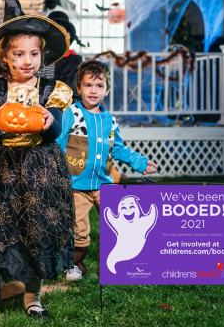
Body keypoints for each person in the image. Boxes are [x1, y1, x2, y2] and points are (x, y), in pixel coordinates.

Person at [0, 0, 75, 320]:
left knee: (37, 227)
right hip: (1, 165)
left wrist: (50, 119)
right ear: (5, 58)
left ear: (42, 56)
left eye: (33, 54)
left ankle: (32, 293)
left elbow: (54, 132)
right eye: (19, 54)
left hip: (40, 166)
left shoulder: (53, 90)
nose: (27, 61)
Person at [57, 60, 158, 281]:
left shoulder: (110, 120)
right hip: (77, 187)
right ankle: (72, 263)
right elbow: (57, 142)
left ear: (107, 90)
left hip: (105, 185)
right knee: (79, 233)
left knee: (125, 224)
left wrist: (141, 162)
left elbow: (118, 149)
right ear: (79, 88)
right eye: (88, 85)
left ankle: (132, 261)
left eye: (99, 86)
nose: (94, 91)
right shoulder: (71, 114)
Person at [36, 11, 83, 102]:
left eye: (60, 31)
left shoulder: (73, 59)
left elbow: (68, 89)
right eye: (52, 31)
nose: (56, 36)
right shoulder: (36, 56)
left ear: (68, 35)